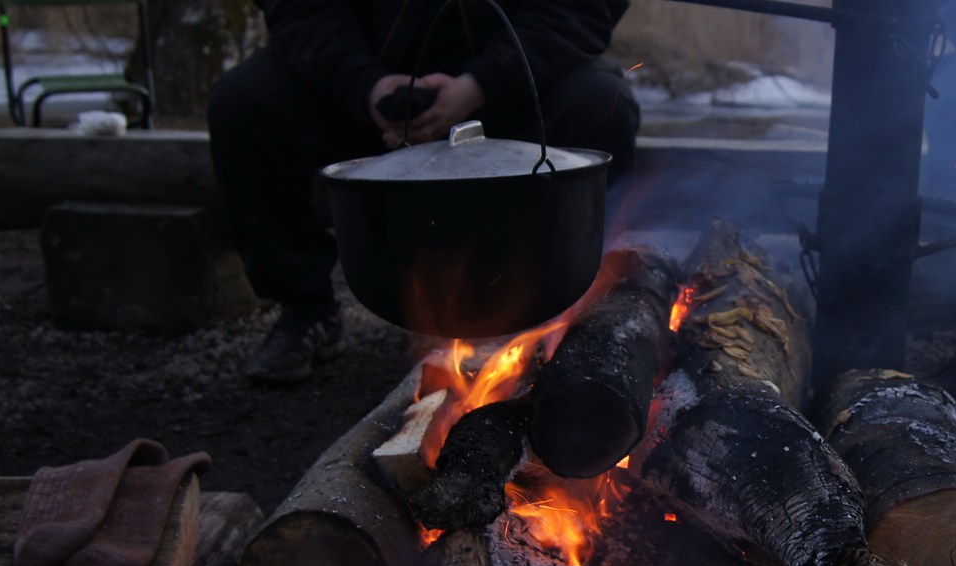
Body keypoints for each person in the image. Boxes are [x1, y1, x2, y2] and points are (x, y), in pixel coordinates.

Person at [207, 0, 640, 384]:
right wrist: (365, 85)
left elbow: (580, 9)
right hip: (366, 98)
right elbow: (300, 9)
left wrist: (479, 84)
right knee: (243, 101)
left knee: (603, 101)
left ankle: (579, 309)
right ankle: (304, 306)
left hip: (513, 90)